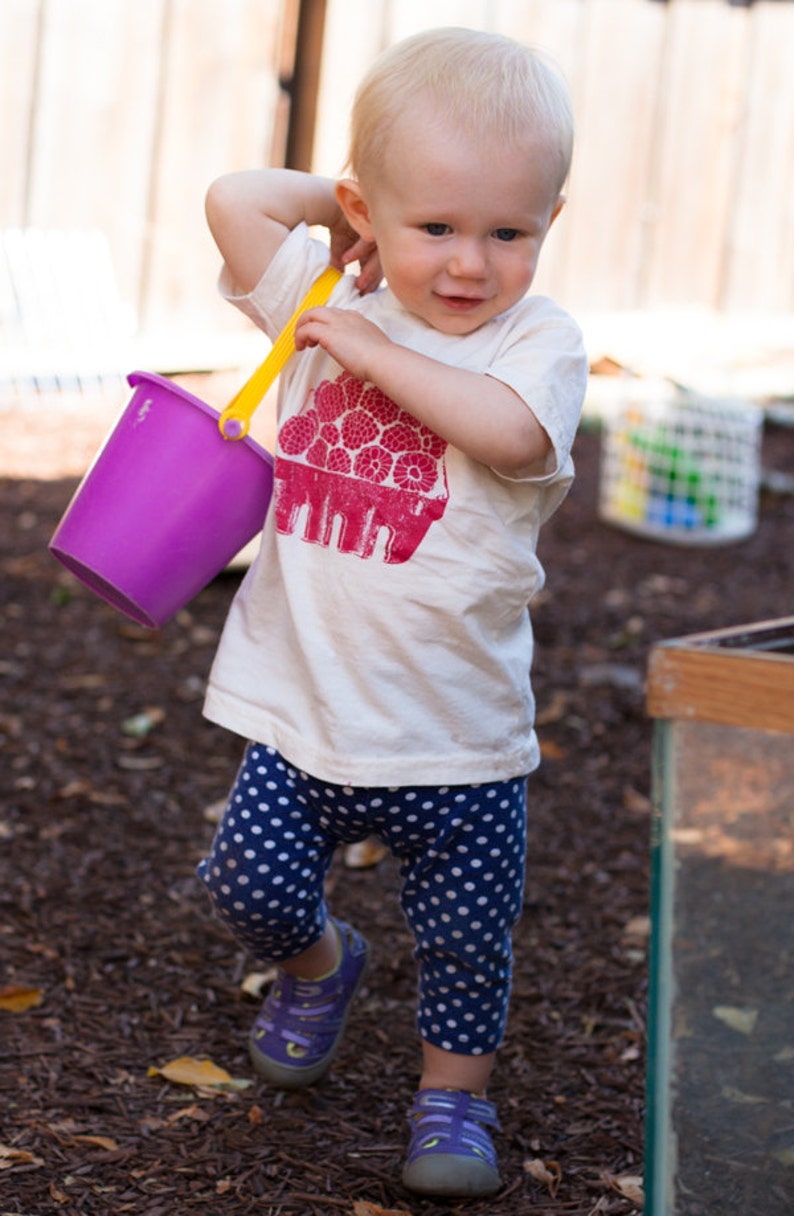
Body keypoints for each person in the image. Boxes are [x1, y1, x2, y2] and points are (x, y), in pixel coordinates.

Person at [198, 26, 587, 1199]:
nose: (470, 263)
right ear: (381, 215)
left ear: (545, 227)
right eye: (435, 226)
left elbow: (511, 435)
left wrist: (370, 347)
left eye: (507, 231)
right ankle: (322, 964)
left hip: (458, 737)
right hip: (305, 709)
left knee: (467, 942)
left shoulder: (537, 342)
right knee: (246, 887)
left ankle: (452, 1103)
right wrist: (350, 210)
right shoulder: (323, 303)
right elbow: (232, 201)